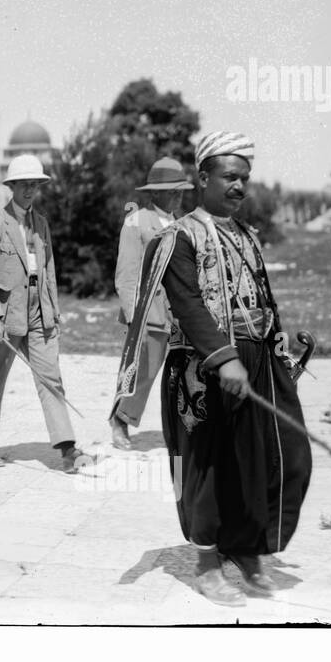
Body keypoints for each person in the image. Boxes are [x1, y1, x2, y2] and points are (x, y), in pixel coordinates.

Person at [111, 131, 313, 607]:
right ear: (202, 178)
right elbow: (187, 303)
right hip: (203, 368)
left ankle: (246, 549)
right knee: (205, 468)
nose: (240, 186)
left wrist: (277, 336)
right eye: (229, 176)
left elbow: (260, 296)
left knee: (277, 455)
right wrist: (223, 359)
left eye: (245, 178)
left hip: (256, 360)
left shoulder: (246, 235)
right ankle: (205, 564)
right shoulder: (176, 236)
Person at [0, 154, 91, 473]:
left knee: (51, 377)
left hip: (40, 311)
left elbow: (48, 268)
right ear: (11, 187)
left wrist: (53, 310)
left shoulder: (41, 224)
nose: (28, 191)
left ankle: (67, 449)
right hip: (7, 314)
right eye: (22, 185)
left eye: (33, 185)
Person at [109, 157, 193, 450]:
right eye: (172, 189)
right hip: (149, 313)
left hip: (182, 313)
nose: (178, 195)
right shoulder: (136, 222)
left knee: (185, 374)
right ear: (155, 192)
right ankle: (120, 420)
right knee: (142, 370)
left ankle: (186, 426)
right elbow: (126, 274)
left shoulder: (184, 224)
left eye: (181, 189)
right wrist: (134, 317)